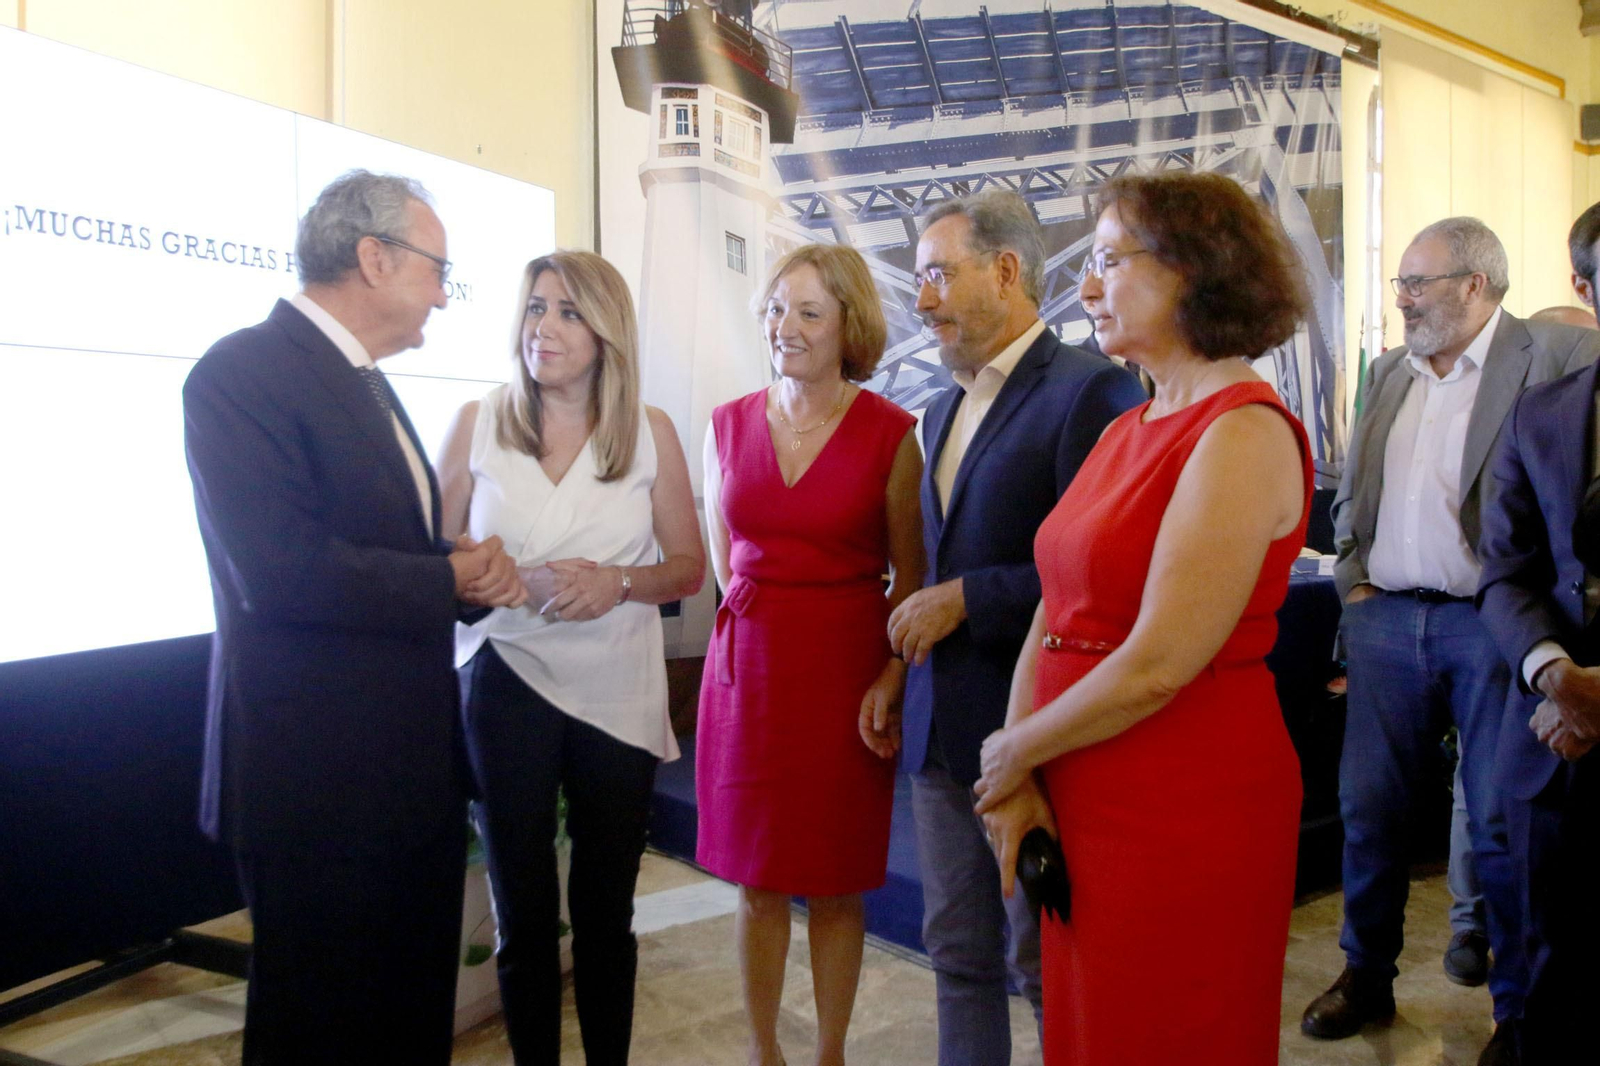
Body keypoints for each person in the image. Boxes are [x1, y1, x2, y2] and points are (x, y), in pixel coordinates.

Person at [183, 169, 525, 1064]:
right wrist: (445, 583)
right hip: (317, 783)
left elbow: (363, 545)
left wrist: (451, 564)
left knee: (407, 1021)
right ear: (373, 258)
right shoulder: (240, 373)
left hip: (401, 775)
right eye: (437, 270)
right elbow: (281, 572)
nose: (444, 298)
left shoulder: (361, 379)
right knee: (321, 1029)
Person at [973, 171, 1312, 1065]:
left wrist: (1019, 748)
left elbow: (1164, 659)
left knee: (1169, 1029)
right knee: (1092, 1028)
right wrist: (1019, 764)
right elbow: (1054, 603)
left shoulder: (1241, 430)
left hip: (1181, 797)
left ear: (1195, 272)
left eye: (1111, 260)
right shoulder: (1132, 424)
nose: (1087, 286)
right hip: (1082, 778)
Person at [1306, 217, 1600, 1064]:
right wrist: (1355, 580)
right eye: (1400, 282)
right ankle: (1367, 975)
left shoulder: (1547, 358)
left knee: (1505, 822)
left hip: (1494, 629)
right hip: (1388, 618)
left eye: (1417, 283)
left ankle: (1517, 1009)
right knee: (1370, 813)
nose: (1401, 299)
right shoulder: (1391, 374)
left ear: (1475, 285)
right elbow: (1357, 491)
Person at [891, 188, 1144, 1065]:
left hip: (1036, 731)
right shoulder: (939, 407)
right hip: (939, 734)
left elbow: (1105, 570)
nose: (921, 301)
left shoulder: (1091, 392)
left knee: (1048, 958)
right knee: (957, 954)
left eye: (937, 275)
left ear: (1006, 271)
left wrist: (969, 599)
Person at [438, 250, 704, 1065]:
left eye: (567, 311)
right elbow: (428, 548)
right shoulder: (478, 422)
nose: (543, 328)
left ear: (606, 330)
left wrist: (620, 582)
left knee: (603, 912)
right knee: (520, 911)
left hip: (616, 689)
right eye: (534, 308)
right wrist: (478, 569)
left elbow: (689, 569)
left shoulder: (649, 430)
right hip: (506, 678)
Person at [696, 243, 924, 1066]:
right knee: (756, 880)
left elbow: (913, 575)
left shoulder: (894, 435)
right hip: (749, 672)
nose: (784, 327)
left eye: (808, 313)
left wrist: (894, 672)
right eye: (775, 310)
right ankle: (766, 1053)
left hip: (844, 674)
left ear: (849, 327)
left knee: (835, 881)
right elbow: (727, 559)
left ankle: (829, 1053)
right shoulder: (725, 422)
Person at [1475, 201, 1600, 1063]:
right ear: (1585, 286)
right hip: (1559, 752)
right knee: (1554, 980)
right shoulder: (1539, 415)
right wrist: (1555, 673)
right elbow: (1506, 574)